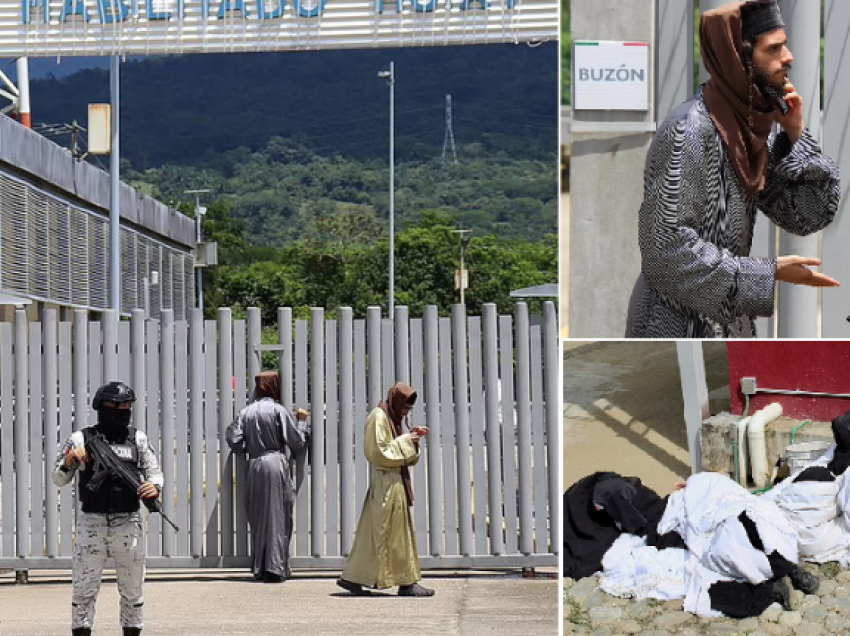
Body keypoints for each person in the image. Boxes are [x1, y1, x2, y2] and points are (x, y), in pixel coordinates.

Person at [627, 0, 840, 338]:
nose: (788, 56)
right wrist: (767, 273)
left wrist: (796, 133)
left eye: (784, 43)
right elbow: (664, 251)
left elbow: (809, 214)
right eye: (773, 48)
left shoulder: (749, 134)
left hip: (725, 326)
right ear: (739, 58)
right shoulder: (690, 130)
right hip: (675, 329)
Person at [52, 381, 164, 636]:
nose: (122, 411)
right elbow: (58, 479)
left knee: (133, 590)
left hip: (128, 523)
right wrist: (69, 461)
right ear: (102, 407)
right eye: (116, 406)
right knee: (84, 589)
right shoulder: (81, 439)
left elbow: (155, 473)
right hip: (92, 524)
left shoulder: (138, 438)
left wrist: (154, 488)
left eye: (127, 406)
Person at [336, 382, 434, 597]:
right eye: (405, 408)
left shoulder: (390, 418)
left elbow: (393, 446)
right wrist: (409, 440)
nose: (406, 412)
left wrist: (411, 438)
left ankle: (355, 577)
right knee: (393, 535)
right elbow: (378, 452)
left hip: (391, 482)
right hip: (386, 483)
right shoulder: (378, 418)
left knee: (378, 534)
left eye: (409, 409)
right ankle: (406, 581)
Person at [226, 371, 310, 583]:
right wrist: (302, 422)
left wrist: (251, 446)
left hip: (255, 465)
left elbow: (234, 440)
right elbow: (297, 443)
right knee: (279, 515)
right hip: (275, 464)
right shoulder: (278, 411)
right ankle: (276, 566)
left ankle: (261, 566)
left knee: (258, 516)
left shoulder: (246, 412)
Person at [564, 472, 686, 580]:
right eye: (597, 505)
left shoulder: (638, 496)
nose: (597, 507)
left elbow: (649, 521)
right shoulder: (579, 499)